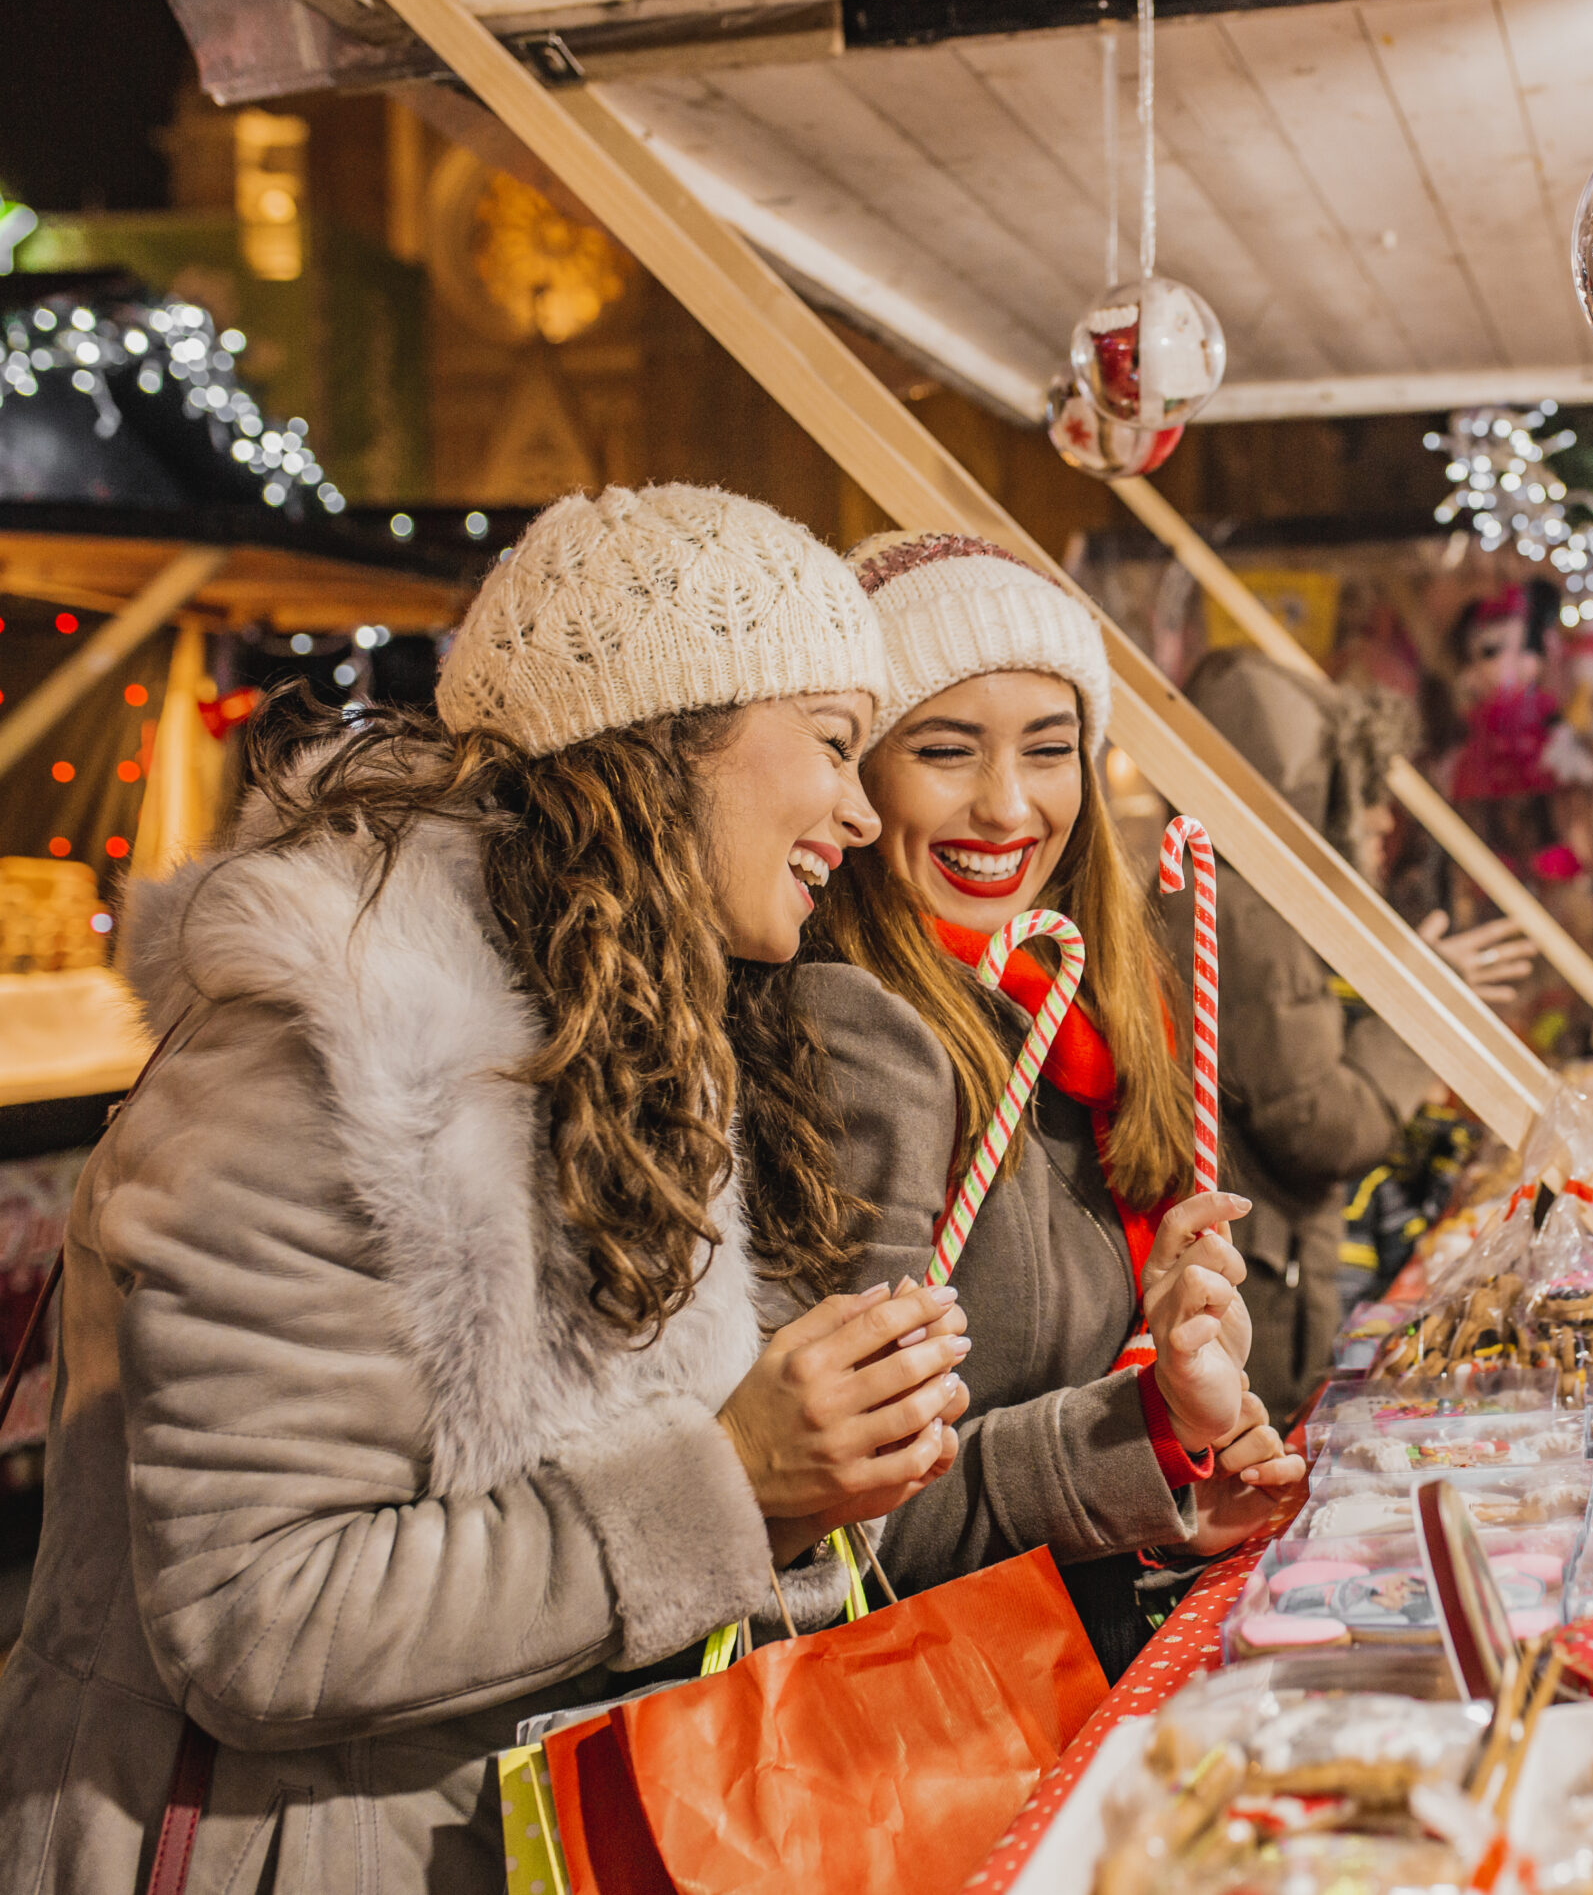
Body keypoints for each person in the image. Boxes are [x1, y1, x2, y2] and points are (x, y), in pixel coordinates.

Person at [0, 485, 971, 1894]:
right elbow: (252, 1616)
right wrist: (736, 1485)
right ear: (667, 732)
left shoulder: (629, 1033)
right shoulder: (335, 1046)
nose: (864, 812)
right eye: (832, 743)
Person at [799, 531, 1299, 1675]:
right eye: (943, 749)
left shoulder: (1074, 1020)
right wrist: (1145, 1433)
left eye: (1049, 748)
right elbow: (855, 1521)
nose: (1006, 805)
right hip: (923, 1730)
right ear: (859, 778)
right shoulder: (851, 1037)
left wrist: (1181, 1492)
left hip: (1066, 1669)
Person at [1178, 644, 1538, 1423]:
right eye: (1361, 793)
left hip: (1266, 1274)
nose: (1381, 819)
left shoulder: (1240, 893)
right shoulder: (1248, 910)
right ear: (1312, 796)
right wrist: (1421, 1015)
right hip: (1261, 1289)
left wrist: (1417, 990)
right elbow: (1323, 1121)